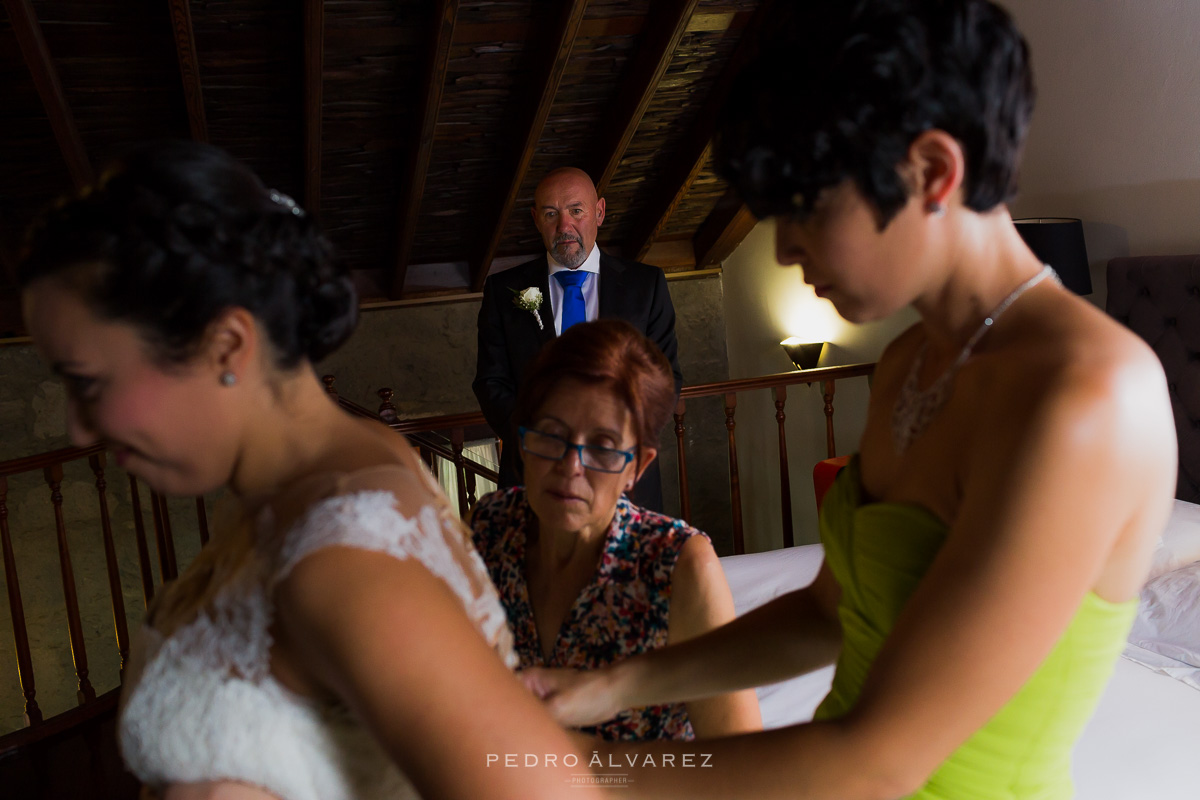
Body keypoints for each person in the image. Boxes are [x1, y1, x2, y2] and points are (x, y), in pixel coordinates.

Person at [519, 2, 1177, 797]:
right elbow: (827, 616)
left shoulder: (1090, 396)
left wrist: (578, 769)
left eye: (805, 211)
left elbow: (877, 760)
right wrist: (604, 687)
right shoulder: (908, 362)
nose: (785, 249)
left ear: (933, 171)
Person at [18, 141, 601, 800]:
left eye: (88, 381)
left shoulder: (344, 553)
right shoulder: (327, 468)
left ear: (226, 344)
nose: (77, 427)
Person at [470, 319, 760, 741]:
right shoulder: (487, 529)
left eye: (603, 447)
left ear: (636, 468)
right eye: (551, 436)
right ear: (520, 444)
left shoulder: (676, 564)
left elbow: (739, 759)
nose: (570, 468)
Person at [472, 167, 682, 512]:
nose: (564, 227)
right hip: (534, 478)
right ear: (536, 219)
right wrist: (543, 442)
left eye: (576, 211)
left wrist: (614, 443)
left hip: (624, 479)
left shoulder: (647, 286)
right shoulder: (502, 291)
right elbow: (491, 382)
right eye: (551, 214)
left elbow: (667, 379)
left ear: (599, 211)